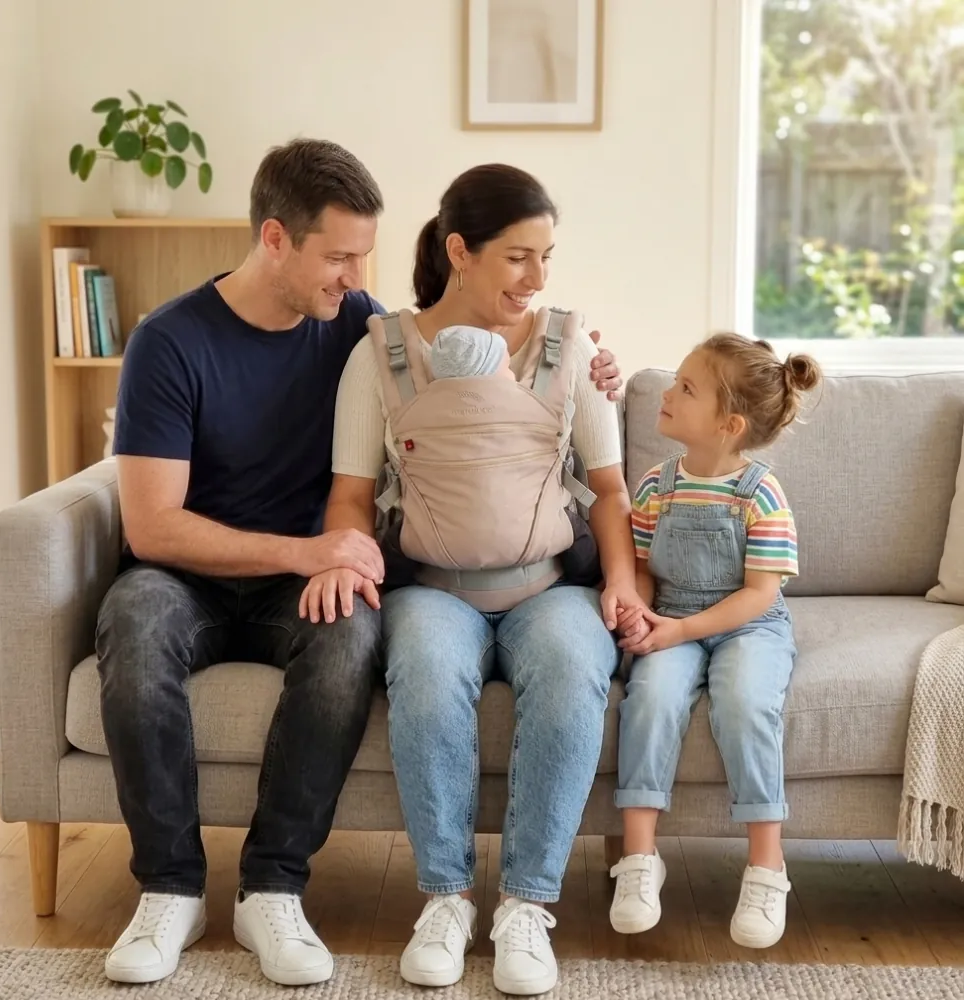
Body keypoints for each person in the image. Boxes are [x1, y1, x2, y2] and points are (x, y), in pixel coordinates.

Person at [96, 140, 625, 988]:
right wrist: (314, 550)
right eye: (337, 257)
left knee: (347, 642)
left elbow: (452, 351)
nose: (353, 277)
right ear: (276, 239)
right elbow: (154, 527)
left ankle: (271, 886)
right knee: (133, 622)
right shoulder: (170, 341)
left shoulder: (353, 325)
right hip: (191, 573)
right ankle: (169, 889)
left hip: (312, 576)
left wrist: (592, 362)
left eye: (362, 258)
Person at [308, 163, 645, 996]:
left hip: (547, 590)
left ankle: (527, 908)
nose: (535, 279)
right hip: (431, 588)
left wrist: (623, 582)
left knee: (574, 670)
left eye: (546, 257)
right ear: (460, 251)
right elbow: (349, 498)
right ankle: (447, 899)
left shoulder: (572, 347)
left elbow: (608, 490)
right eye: (517, 257)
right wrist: (345, 559)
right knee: (421, 672)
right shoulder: (380, 354)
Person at [609, 333, 821, 950]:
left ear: (728, 424)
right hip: (672, 616)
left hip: (749, 625)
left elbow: (759, 594)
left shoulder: (760, 492)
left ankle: (765, 866)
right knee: (648, 700)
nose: (667, 394)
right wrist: (644, 613)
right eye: (675, 382)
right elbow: (642, 564)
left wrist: (683, 630)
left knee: (745, 704)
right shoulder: (655, 485)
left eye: (686, 388)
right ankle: (639, 861)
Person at [376, 323, 602, 593]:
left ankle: (387, 587)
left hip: (432, 544)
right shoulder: (533, 409)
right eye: (506, 368)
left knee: (396, 541)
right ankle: (590, 581)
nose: (512, 375)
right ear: (489, 371)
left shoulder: (413, 412)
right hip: (537, 545)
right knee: (575, 531)